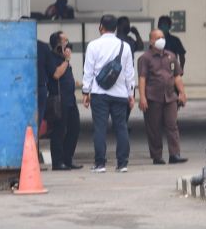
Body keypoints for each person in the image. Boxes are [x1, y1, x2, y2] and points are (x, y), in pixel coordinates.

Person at [82, 15, 135, 173]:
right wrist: (130, 93)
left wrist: (86, 91)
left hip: (99, 93)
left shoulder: (93, 45)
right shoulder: (124, 46)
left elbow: (88, 71)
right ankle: (122, 163)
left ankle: (100, 164)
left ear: (100, 27)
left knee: (100, 128)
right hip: (120, 93)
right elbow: (129, 73)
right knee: (121, 128)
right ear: (116, 28)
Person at [137, 29, 188, 165]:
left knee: (172, 125)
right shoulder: (145, 58)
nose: (161, 40)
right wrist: (142, 97)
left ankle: (174, 154)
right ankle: (157, 156)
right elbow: (142, 78)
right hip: (153, 97)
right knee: (154, 128)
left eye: (162, 37)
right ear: (152, 41)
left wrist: (182, 92)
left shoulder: (171, 56)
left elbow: (177, 76)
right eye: (158, 38)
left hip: (170, 97)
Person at [47, 31, 82, 171]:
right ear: (58, 44)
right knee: (59, 131)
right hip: (59, 100)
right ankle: (58, 161)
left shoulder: (63, 58)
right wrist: (67, 60)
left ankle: (68, 158)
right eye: (65, 41)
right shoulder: (52, 58)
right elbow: (56, 74)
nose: (68, 44)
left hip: (70, 99)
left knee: (74, 128)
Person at [37, 40, 56, 130]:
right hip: (40, 86)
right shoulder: (43, 47)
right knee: (39, 116)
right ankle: (34, 138)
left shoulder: (20, 46)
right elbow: (53, 70)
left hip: (22, 87)